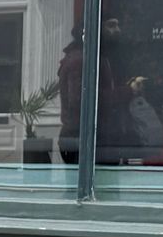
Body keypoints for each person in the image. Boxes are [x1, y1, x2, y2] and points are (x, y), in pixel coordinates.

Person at [55, 15, 138, 164]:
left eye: (117, 25)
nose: (117, 30)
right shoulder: (80, 60)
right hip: (86, 141)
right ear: (94, 29)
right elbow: (81, 100)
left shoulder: (94, 57)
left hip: (94, 140)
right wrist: (127, 91)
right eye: (111, 26)